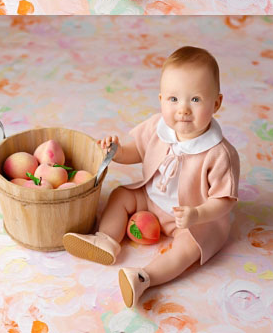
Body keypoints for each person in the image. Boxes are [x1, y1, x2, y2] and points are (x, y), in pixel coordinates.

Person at [62, 46, 239, 307]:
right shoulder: (159, 127)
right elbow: (139, 151)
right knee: (122, 194)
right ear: (160, 99)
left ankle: (144, 277)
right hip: (150, 199)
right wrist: (117, 151)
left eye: (196, 100)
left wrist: (197, 214)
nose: (183, 110)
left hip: (189, 219)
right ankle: (106, 239)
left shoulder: (219, 153)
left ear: (216, 103)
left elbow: (225, 199)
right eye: (173, 99)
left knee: (189, 247)